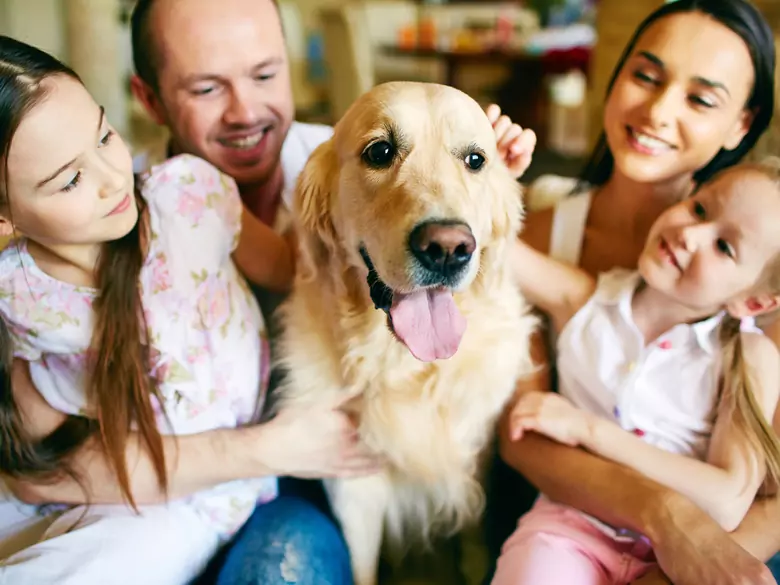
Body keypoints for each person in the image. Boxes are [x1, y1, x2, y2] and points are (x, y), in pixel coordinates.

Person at [0, 34, 385, 584]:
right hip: (124, 489)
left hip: (207, 496)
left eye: (105, 135)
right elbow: (35, 457)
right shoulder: (20, 294)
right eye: (72, 180)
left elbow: (293, 268)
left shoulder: (189, 197)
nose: (113, 178)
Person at [488, 1, 780, 584]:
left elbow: (762, 493)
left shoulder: (764, 272)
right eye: (645, 75)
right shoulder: (556, 246)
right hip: (569, 526)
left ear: (741, 125)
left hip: (726, 546)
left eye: (701, 99)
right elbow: (522, 437)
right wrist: (485, 175)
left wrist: (676, 563)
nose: (657, 110)